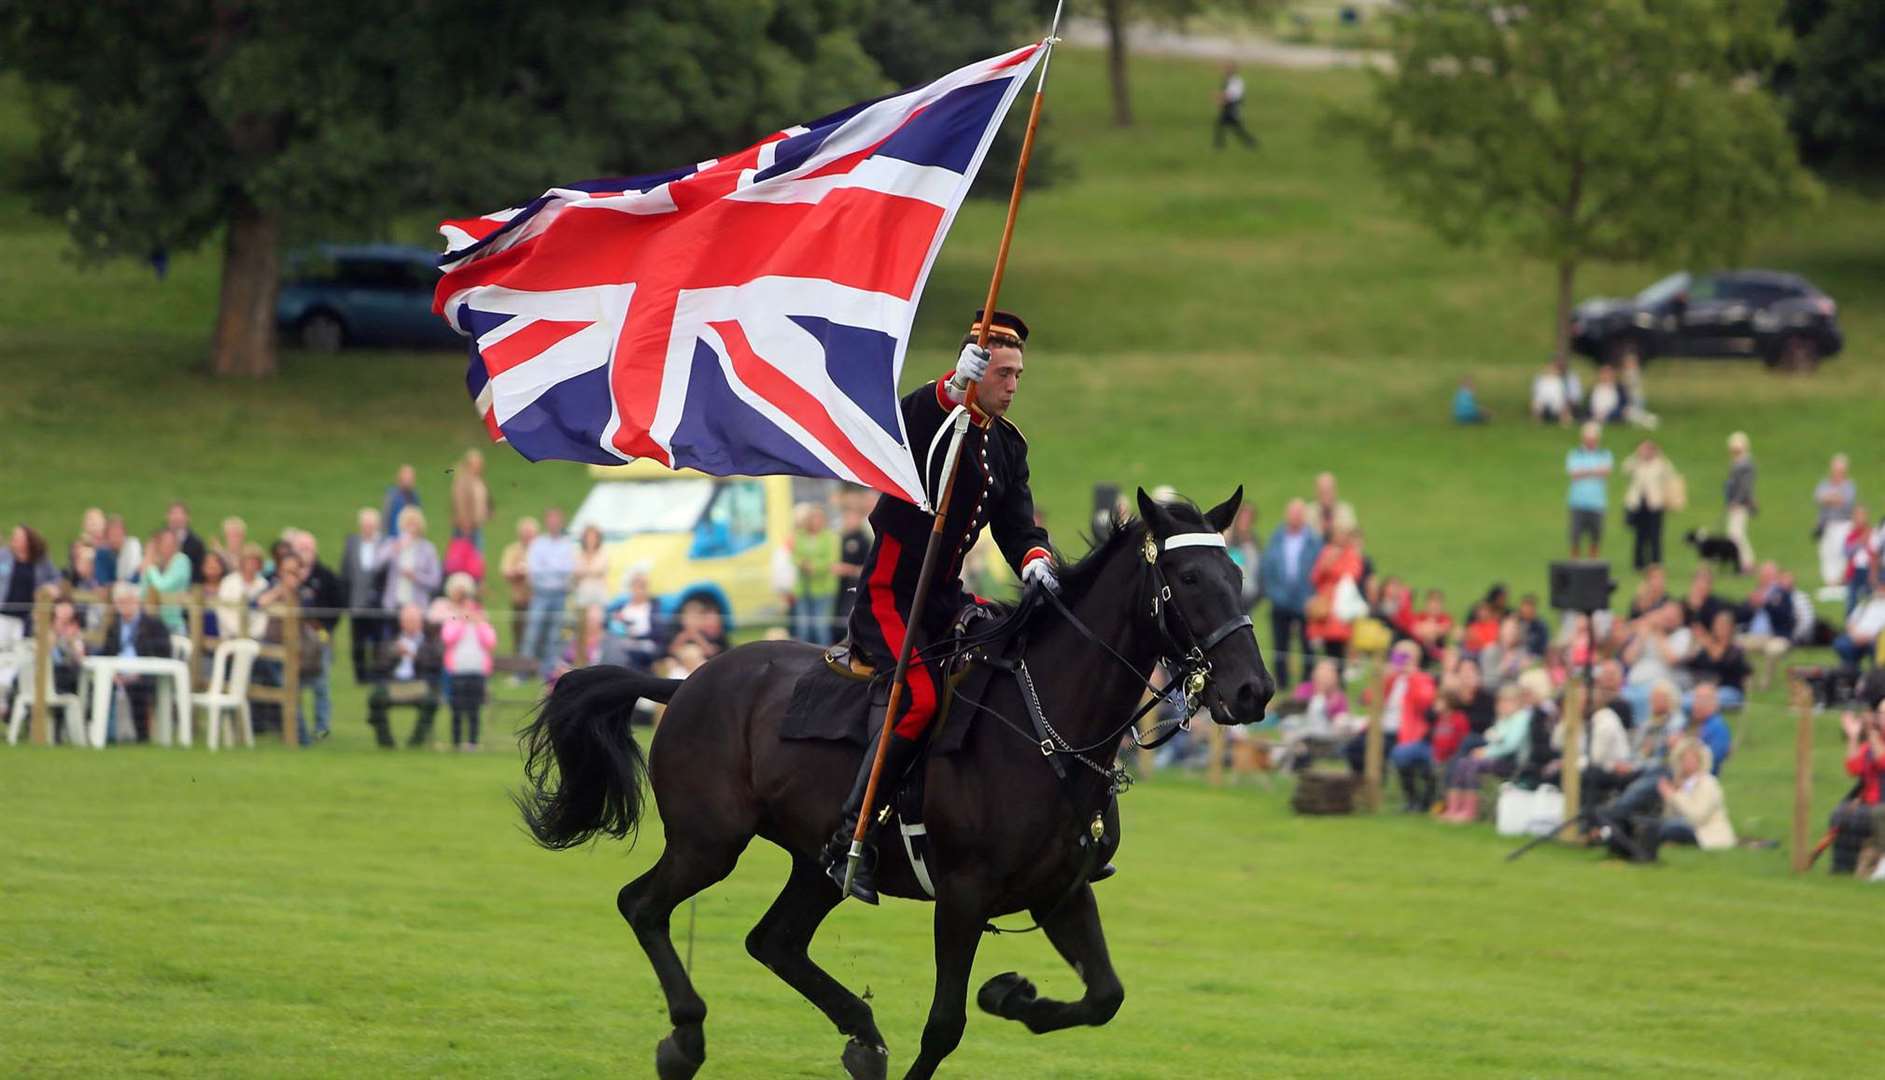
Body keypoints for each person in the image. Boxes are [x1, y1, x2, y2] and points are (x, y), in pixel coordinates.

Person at [824, 309, 1061, 903]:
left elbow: (1016, 522)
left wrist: (1035, 558)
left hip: (945, 597)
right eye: (1002, 373)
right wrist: (949, 391)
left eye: (1018, 375)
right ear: (975, 370)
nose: (1011, 385)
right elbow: (903, 426)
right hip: (891, 594)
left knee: (1006, 661)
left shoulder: (1008, 445)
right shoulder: (937, 418)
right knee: (920, 695)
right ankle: (847, 836)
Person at [1439, 683, 1529, 823]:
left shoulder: (1521, 718)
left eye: (1507, 701)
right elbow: (1493, 737)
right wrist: (1485, 749)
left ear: (1517, 702)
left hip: (1512, 762)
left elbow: (1510, 746)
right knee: (1462, 763)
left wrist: (1485, 752)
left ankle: (1470, 812)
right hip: (1496, 759)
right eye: (1502, 701)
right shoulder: (1504, 719)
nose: (1504, 705)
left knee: (1472, 765)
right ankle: (1454, 808)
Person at [290, 530, 346, 743]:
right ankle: (297, 727)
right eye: (302, 548)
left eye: (310, 549)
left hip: (320, 637)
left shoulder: (326, 576)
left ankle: (322, 729)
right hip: (293, 638)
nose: (306, 553)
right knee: (294, 683)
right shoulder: (288, 575)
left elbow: (338, 604)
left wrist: (327, 629)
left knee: (321, 684)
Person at [98, 583, 173, 742]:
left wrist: (138, 673)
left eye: (128, 601)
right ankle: (104, 734)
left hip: (144, 674)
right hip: (118, 673)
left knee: (138, 688)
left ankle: (142, 737)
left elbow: (164, 651)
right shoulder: (114, 626)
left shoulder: (153, 624)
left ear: (137, 601)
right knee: (99, 685)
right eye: (120, 602)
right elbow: (107, 652)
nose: (124, 606)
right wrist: (114, 674)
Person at [1260, 499, 1322, 690]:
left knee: (1307, 644)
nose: (1295, 517)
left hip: (1306, 601)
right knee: (1281, 644)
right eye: (1292, 513)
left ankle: (1308, 682)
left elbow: (1319, 569)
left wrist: (1312, 596)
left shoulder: (1314, 541)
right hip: (1280, 600)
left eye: (1299, 513)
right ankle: (1282, 683)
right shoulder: (1277, 538)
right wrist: (1274, 593)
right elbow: (1267, 568)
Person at [365, 604, 443, 749]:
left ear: (420, 622)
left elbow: (436, 664)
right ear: (401, 622)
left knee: (431, 700)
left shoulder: (430, 642)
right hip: (394, 684)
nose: (410, 624)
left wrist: (415, 657)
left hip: (419, 684)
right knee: (375, 698)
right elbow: (378, 667)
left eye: (413, 621)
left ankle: (415, 742)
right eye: (407, 621)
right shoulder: (391, 641)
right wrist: (394, 655)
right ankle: (386, 743)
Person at [439, 573, 496, 751]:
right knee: (456, 707)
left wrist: (479, 623)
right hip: (457, 670)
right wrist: (462, 621)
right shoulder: (454, 618)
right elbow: (447, 638)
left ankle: (472, 741)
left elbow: (490, 641)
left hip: (477, 670)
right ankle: (456, 742)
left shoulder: (480, 619)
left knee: (474, 708)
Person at [522, 507, 577, 681]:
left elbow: (567, 569)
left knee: (554, 635)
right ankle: (522, 672)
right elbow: (535, 569)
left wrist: (549, 568)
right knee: (532, 632)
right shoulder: (538, 543)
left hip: (559, 595)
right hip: (540, 594)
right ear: (547, 522)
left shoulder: (567, 544)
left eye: (557, 520)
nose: (554, 523)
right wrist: (555, 571)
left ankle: (545, 673)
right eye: (551, 520)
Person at [1655, 738, 1736, 849]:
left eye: (1692, 759)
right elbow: (1669, 816)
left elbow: (1697, 817)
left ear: (1700, 760)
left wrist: (1673, 795)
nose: (1688, 763)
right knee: (1657, 825)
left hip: (1708, 835)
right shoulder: (1681, 784)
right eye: (1684, 759)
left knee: (1670, 828)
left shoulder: (1708, 783)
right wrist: (1669, 796)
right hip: (1689, 828)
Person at [1307, 525, 1364, 669]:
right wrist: (1325, 566)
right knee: (1327, 651)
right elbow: (1315, 578)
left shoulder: (1350, 554)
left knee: (1340, 650)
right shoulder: (1326, 552)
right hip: (1324, 609)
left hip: (1342, 606)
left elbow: (1352, 575)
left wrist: (1331, 567)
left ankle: (1339, 681)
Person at [341, 507, 388, 682]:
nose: (367, 528)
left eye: (371, 525)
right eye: (365, 525)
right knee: (358, 641)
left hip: (378, 602)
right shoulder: (352, 543)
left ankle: (377, 673)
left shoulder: (385, 544)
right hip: (357, 600)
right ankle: (360, 676)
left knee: (377, 639)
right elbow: (346, 571)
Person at [1735, 561, 1796, 691]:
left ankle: (1765, 683)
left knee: (1772, 649)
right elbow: (1740, 617)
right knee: (1737, 645)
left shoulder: (1782, 594)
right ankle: (1747, 682)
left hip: (1777, 636)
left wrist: (1766, 604)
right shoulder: (1757, 592)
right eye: (1763, 575)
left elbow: (1786, 618)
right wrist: (1751, 606)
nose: (1766, 578)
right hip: (1755, 636)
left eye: (1770, 575)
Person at [1621, 440, 1678, 571]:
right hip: (1638, 504)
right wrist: (1637, 456)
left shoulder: (1660, 464)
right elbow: (1625, 468)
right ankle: (1639, 564)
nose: (1647, 453)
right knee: (1640, 535)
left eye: (1649, 450)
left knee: (1655, 535)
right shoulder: (1637, 463)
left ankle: (1656, 563)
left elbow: (1670, 474)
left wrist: (1660, 456)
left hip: (1655, 504)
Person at [789, 504, 840, 646]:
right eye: (813, 518)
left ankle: (825, 658)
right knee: (803, 627)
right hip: (803, 587)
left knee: (820, 627)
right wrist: (803, 564)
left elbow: (831, 560)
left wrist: (814, 566)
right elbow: (794, 556)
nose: (815, 521)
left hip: (823, 589)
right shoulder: (799, 536)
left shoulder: (830, 537)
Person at [380, 506, 443, 619]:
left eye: (413, 524)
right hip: (394, 604)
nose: (410, 528)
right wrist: (396, 547)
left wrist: (415, 576)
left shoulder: (428, 549)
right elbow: (377, 562)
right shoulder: (393, 544)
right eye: (407, 524)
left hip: (417, 607)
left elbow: (435, 580)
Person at [1565, 421, 1613, 558]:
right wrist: (1594, 471)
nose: (1591, 441)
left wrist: (1585, 471)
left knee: (1596, 534)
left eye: (1593, 439)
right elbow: (1574, 473)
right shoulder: (1575, 454)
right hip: (1577, 501)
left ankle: (1593, 561)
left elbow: (1605, 471)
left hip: (1597, 502)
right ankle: (1575, 560)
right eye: (1588, 439)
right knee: (1575, 534)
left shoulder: (1604, 454)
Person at [1, 525, 59, 634]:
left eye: (18, 536)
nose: (13, 538)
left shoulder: (41, 560)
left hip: (28, 618)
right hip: (4, 614)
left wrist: (51, 587)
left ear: (28, 540)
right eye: (14, 536)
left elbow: (56, 577)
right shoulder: (4, 556)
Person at [603, 569, 663, 671]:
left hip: (644, 643)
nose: (639, 590)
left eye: (642, 586)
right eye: (636, 586)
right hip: (622, 641)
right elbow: (609, 626)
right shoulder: (622, 607)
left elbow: (657, 632)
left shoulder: (653, 607)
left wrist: (636, 636)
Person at [1815, 453, 1858, 590]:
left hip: (1843, 523)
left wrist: (1829, 498)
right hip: (1826, 524)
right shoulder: (1825, 483)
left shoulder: (1849, 485)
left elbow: (1846, 501)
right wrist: (1834, 498)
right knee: (1826, 552)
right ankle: (1830, 580)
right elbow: (1818, 497)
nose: (1837, 473)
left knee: (1841, 552)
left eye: (1840, 470)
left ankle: (1841, 579)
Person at [139, 528, 192, 634]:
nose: (167, 545)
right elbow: (143, 594)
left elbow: (163, 586)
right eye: (163, 542)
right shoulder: (158, 565)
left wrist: (150, 567)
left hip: (173, 626)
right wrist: (149, 560)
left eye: (170, 542)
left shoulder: (181, 560)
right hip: (154, 624)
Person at [500, 516, 539, 653]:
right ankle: (519, 660)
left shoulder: (541, 550)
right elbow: (505, 571)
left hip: (537, 598)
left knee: (537, 631)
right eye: (525, 532)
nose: (528, 536)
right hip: (519, 598)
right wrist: (517, 571)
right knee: (519, 631)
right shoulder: (512, 550)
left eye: (530, 533)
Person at [218, 544, 269, 641]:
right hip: (230, 635)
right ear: (242, 562)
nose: (252, 564)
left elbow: (264, 615)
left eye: (255, 562)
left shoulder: (263, 584)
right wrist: (238, 632)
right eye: (248, 561)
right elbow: (223, 609)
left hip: (256, 637)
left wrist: (254, 634)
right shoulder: (228, 582)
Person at [1724, 431, 1757, 574]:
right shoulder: (1739, 462)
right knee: (1735, 534)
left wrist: (1736, 501)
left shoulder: (1745, 464)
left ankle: (1746, 563)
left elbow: (1745, 486)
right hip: (1735, 503)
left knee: (1736, 535)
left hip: (1740, 504)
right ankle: (1745, 562)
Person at [834, 499, 871, 617]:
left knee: (850, 613)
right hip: (840, 585)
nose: (849, 520)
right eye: (847, 517)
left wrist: (850, 569)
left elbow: (867, 567)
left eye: (853, 517)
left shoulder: (864, 540)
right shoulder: (839, 538)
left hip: (855, 585)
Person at [449, 449, 491, 551]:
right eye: (476, 463)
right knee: (466, 556)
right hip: (466, 527)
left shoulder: (477, 479)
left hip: (476, 525)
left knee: (475, 556)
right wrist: (465, 523)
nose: (479, 466)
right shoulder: (463, 480)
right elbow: (460, 502)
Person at [1687, 682, 1731, 775]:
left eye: (1700, 700)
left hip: (1703, 779)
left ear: (1713, 704)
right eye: (1695, 700)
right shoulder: (1701, 725)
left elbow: (1713, 759)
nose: (1695, 705)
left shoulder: (1718, 727)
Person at [1834, 590, 1885, 671]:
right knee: (1842, 643)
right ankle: (1851, 671)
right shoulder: (1866, 602)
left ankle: (1877, 673)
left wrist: (1868, 637)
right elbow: (1850, 622)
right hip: (1856, 636)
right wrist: (1854, 635)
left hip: (1875, 639)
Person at [1226, 503, 1262, 613]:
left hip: (1250, 595)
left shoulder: (1254, 542)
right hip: (1232, 594)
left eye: (1248, 519)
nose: (1245, 522)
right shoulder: (1229, 541)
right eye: (1243, 518)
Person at [1212, 61, 1257, 149]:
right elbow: (1228, 93)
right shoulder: (1229, 80)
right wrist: (1220, 98)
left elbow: (1232, 94)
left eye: (1227, 69)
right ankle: (1219, 145)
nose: (1225, 70)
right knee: (1222, 125)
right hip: (1228, 106)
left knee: (1235, 127)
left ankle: (1251, 142)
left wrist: (1219, 97)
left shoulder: (1236, 81)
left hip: (1232, 106)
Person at [164, 501, 208, 583]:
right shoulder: (159, 539)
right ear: (167, 516)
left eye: (180, 514)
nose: (177, 517)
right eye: (173, 513)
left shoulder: (196, 543)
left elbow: (199, 570)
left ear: (188, 517)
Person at [570, 524, 610, 613]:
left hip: (599, 594)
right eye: (588, 537)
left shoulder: (603, 554)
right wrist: (590, 572)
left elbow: (599, 571)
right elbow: (576, 573)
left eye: (593, 537)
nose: (590, 539)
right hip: (582, 594)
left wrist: (584, 572)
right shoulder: (577, 554)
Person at [1530, 358, 1582, 426]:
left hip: (1558, 401)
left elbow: (1561, 395)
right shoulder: (1541, 380)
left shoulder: (1559, 381)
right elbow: (1538, 394)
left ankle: (1565, 422)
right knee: (1537, 405)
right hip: (1543, 400)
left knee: (1562, 407)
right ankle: (1537, 422)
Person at [1310, 472, 1357, 540]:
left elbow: (1352, 537)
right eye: (1322, 491)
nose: (1325, 496)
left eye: (1328, 491)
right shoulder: (1308, 512)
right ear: (1316, 492)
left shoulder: (1346, 511)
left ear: (1335, 491)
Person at [383, 463, 422, 534]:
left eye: (410, 478)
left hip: (412, 537)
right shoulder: (392, 495)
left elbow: (418, 518)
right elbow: (385, 518)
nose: (408, 480)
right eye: (406, 477)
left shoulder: (415, 496)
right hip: (394, 537)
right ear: (400, 478)